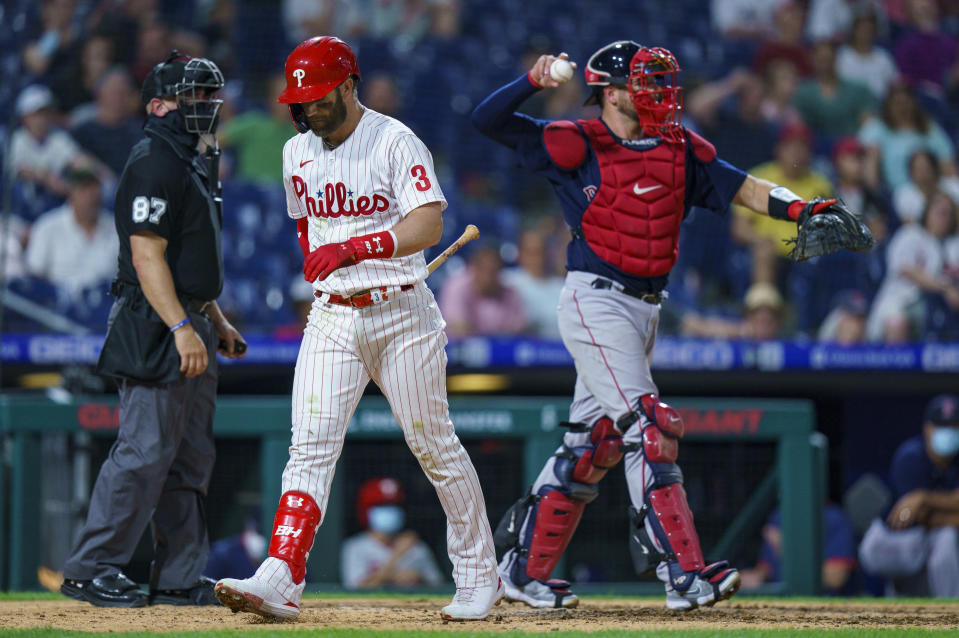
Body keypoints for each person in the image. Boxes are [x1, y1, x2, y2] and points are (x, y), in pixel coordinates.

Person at [471, 40, 861, 611]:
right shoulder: (577, 138)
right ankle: (684, 575)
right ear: (608, 90)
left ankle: (520, 571)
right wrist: (532, 79)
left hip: (646, 308)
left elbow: (744, 186)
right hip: (594, 300)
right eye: (641, 82)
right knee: (649, 429)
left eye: (659, 82)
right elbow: (487, 120)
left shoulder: (680, 147)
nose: (656, 93)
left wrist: (802, 209)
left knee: (593, 445)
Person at [213, 37, 502, 622]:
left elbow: (428, 222)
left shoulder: (393, 139)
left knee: (433, 444)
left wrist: (357, 246)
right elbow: (306, 225)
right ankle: (282, 574)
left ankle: (479, 576)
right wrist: (325, 262)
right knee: (309, 448)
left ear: (348, 86)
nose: (310, 109)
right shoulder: (298, 152)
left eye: (320, 98)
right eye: (302, 100)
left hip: (402, 314)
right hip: (333, 315)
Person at [59, 51, 246, 608]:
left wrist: (214, 320)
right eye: (191, 96)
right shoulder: (153, 161)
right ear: (158, 105)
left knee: (189, 459)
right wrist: (184, 327)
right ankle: (91, 568)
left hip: (188, 316)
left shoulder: (193, 160)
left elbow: (192, 261)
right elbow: (146, 257)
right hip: (154, 319)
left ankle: (179, 578)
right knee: (144, 452)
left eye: (208, 96)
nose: (203, 106)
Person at [858, 394, 959, 597]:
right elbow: (916, 516)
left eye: (953, 426)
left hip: (932, 541)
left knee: (946, 540)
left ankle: (951, 611)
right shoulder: (911, 456)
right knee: (940, 538)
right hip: (893, 539)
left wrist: (924, 497)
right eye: (940, 425)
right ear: (927, 429)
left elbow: (924, 510)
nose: (947, 431)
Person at [731, 122, 833, 286]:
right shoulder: (757, 178)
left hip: (802, 256)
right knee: (763, 252)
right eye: (790, 147)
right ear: (778, 149)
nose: (796, 153)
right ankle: (763, 308)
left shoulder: (821, 186)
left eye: (802, 147)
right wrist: (759, 239)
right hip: (767, 250)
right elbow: (739, 228)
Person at [866, 191, 959, 342]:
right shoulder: (910, 234)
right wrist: (946, 288)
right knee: (897, 323)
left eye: (948, 214)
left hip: (940, 311)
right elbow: (908, 271)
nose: (944, 218)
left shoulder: (953, 244)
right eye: (939, 212)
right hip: (900, 302)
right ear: (927, 212)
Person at [23, 166, 118, 292]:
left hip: (105, 303)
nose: (91, 195)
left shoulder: (116, 228)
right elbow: (33, 278)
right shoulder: (47, 226)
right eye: (85, 189)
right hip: (55, 305)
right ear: (72, 193)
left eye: (95, 188)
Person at [341, 477, 444, 590]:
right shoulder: (356, 547)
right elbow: (354, 591)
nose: (390, 510)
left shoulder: (416, 547)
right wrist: (394, 564)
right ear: (367, 510)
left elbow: (440, 588)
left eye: (394, 505)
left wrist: (419, 579)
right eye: (382, 505)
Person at [740, 504, 858, 595]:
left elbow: (835, 579)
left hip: (821, 607)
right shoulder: (779, 516)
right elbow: (765, 569)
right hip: (779, 604)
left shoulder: (834, 518)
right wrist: (755, 577)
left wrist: (787, 551)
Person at [438, 243, 530, 337]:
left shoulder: (511, 293)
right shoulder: (456, 286)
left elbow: (520, 331)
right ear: (474, 268)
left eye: (493, 270)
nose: (488, 277)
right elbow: (459, 329)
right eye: (484, 269)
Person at [680, 282, 787, 341]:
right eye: (756, 312)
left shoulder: (788, 341)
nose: (764, 317)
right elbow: (692, 325)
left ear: (778, 320)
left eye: (770, 312)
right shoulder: (739, 336)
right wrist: (742, 331)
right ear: (747, 316)